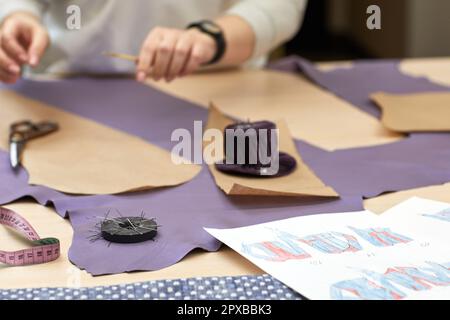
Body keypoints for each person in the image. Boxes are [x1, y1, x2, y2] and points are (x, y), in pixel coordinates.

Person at [0, 0, 307, 84]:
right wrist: (16, 15)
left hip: (211, 89)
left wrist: (210, 38)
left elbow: (279, 4)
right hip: (66, 86)